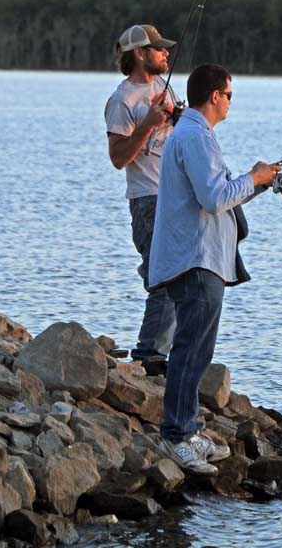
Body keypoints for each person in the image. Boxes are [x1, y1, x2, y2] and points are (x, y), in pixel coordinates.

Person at [148, 63, 282, 476]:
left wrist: (259, 183)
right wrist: (252, 177)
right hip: (196, 258)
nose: (230, 102)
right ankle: (176, 436)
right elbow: (213, 197)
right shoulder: (194, 137)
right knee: (190, 347)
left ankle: (187, 429)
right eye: (229, 95)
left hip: (201, 257)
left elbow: (221, 197)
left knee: (198, 348)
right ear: (214, 96)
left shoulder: (193, 136)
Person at [104, 23, 182, 374]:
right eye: (159, 48)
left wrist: (178, 118)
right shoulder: (122, 100)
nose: (166, 53)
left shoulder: (165, 88)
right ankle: (149, 356)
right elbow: (118, 157)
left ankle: (161, 354)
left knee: (180, 277)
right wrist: (149, 123)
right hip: (147, 201)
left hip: (176, 197)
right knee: (163, 278)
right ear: (139, 53)